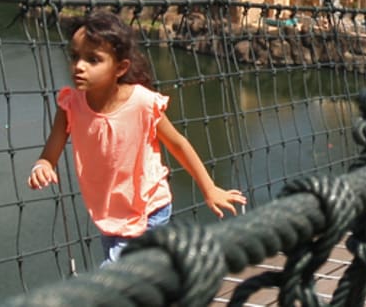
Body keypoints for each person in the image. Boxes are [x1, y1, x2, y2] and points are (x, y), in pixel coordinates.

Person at [27, 13, 247, 264]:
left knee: (115, 276)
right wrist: (42, 166)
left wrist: (209, 188)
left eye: (93, 59)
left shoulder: (141, 102)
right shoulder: (70, 105)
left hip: (148, 207)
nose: (79, 66)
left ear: (121, 67)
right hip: (109, 213)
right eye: (75, 56)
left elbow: (177, 143)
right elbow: (49, 154)